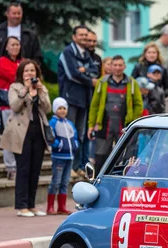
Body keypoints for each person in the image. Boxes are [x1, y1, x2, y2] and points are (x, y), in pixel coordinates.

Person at [0, 59, 51, 217]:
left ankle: (31, 205)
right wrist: (26, 90)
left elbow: (48, 108)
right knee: (23, 170)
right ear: (21, 73)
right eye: (27, 71)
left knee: (35, 170)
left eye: (32, 71)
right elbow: (14, 106)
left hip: (38, 132)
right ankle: (21, 206)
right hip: (21, 133)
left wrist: (40, 91)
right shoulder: (15, 87)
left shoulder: (41, 87)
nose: (30, 73)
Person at [87, 55, 143, 174]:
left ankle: (123, 184)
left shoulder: (132, 83)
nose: (117, 68)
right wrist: (91, 125)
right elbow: (94, 105)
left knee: (126, 157)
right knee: (100, 157)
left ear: (124, 67)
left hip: (124, 126)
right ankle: (98, 183)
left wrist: (133, 122)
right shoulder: (102, 82)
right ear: (111, 66)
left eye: (120, 65)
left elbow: (138, 105)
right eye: (115, 65)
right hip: (104, 125)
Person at [58, 25, 96, 178]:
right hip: (71, 99)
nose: (84, 38)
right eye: (81, 35)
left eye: (86, 35)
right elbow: (72, 74)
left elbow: (94, 71)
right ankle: (67, 167)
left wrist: (83, 71)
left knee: (80, 136)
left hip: (84, 100)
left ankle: (76, 166)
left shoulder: (86, 53)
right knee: (69, 134)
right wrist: (87, 78)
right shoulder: (67, 52)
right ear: (74, 37)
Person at [0, 2, 42, 88]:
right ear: (7, 14)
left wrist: (31, 71)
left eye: (19, 13)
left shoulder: (30, 34)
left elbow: (37, 56)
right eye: (14, 13)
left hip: (25, 83)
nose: (16, 16)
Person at [0, 35, 22, 180]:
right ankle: (11, 168)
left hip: (22, 105)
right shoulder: (2, 62)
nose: (15, 47)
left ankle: (19, 166)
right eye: (12, 45)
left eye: (17, 45)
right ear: (6, 47)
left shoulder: (22, 62)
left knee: (20, 137)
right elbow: (15, 77)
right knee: (10, 137)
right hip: (7, 104)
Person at [47, 97, 78, 215]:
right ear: (55, 109)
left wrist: (75, 144)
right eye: (59, 108)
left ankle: (62, 206)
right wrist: (58, 145)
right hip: (58, 157)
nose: (62, 110)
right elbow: (50, 137)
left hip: (69, 157)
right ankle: (50, 206)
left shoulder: (69, 123)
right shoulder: (53, 123)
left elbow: (74, 136)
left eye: (64, 108)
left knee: (65, 182)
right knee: (56, 182)